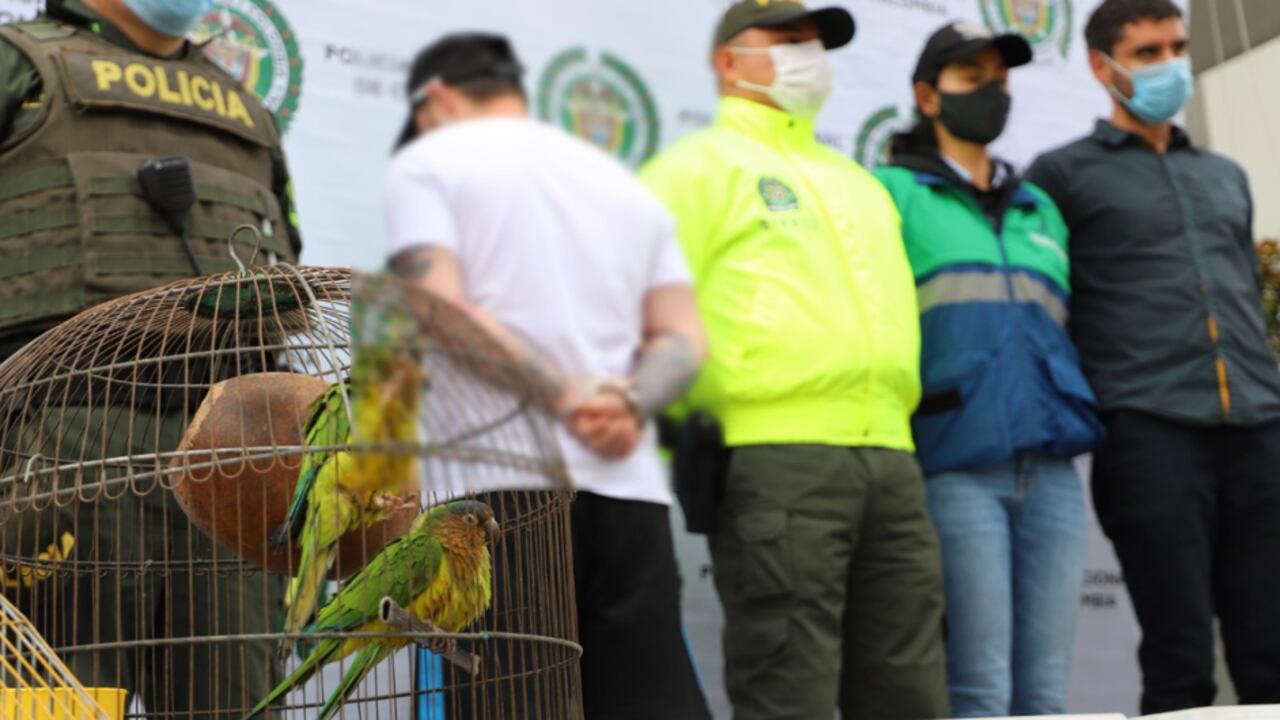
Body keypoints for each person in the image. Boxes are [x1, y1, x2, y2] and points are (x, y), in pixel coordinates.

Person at [385, 32, 712, 720]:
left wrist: (565, 397)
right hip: (626, 493)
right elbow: (682, 338)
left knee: (506, 705)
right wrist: (626, 401)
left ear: (435, 100)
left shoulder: (433, 161)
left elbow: (437, 305)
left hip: (493, 502)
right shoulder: (620, 185)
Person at [639, 3, 949, 718]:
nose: (807, 52)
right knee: (790, 690)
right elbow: (636, 310)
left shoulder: (862, 183)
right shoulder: (689, 171)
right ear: (727, 60)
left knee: (912, 690)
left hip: (894, 457)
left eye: (813, 41)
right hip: (773, 455)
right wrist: (692, 424)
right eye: (785, 40)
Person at [0, 0, 300, 716]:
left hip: (238, 472)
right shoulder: (19, 64)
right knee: (50, 707)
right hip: (62, 450)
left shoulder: (246, 113)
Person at [1026, 0, 1280, 713]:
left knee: (1272, 651)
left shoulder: (1224, 174)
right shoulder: (1061, 174)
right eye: (1146, 52)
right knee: (1179, 655)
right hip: (1148, 429)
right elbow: (1047, 305)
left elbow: (1239, 287)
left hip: (1259, 423)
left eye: (1176, 46)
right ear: (1100, 66)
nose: (1170, 63)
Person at [874, 20, 1104, 717]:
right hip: (954, 466)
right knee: (978, 688)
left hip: (1055, 474)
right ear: (927, 95)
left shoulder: (1040, 207)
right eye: (971, 78)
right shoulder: (889, 194)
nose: (991, 91)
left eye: (1000, 79)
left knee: (1044, 694)